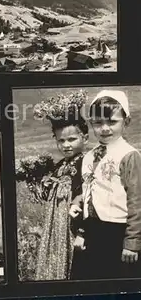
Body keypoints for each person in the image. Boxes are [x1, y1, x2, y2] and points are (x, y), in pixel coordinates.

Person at [70, 90, 141, 280]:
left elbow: (137, 201)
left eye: (112, 122)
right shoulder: (89, 156)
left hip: (118, 232)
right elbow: (88, 194)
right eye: (98, 123)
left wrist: (132, 243)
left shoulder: (129, 155)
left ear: (126, 122)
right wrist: (81, 230)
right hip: (93, 231)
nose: (105, 128)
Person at [31, 90, 89, 281]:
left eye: (72, 139)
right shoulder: (59, 166)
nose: (66, 145)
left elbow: (87, 197)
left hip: (72, 227)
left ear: (85, 138)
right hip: (56, 227)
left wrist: (82, 232)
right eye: (61, 140)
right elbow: (48, 194)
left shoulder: (86, 164)